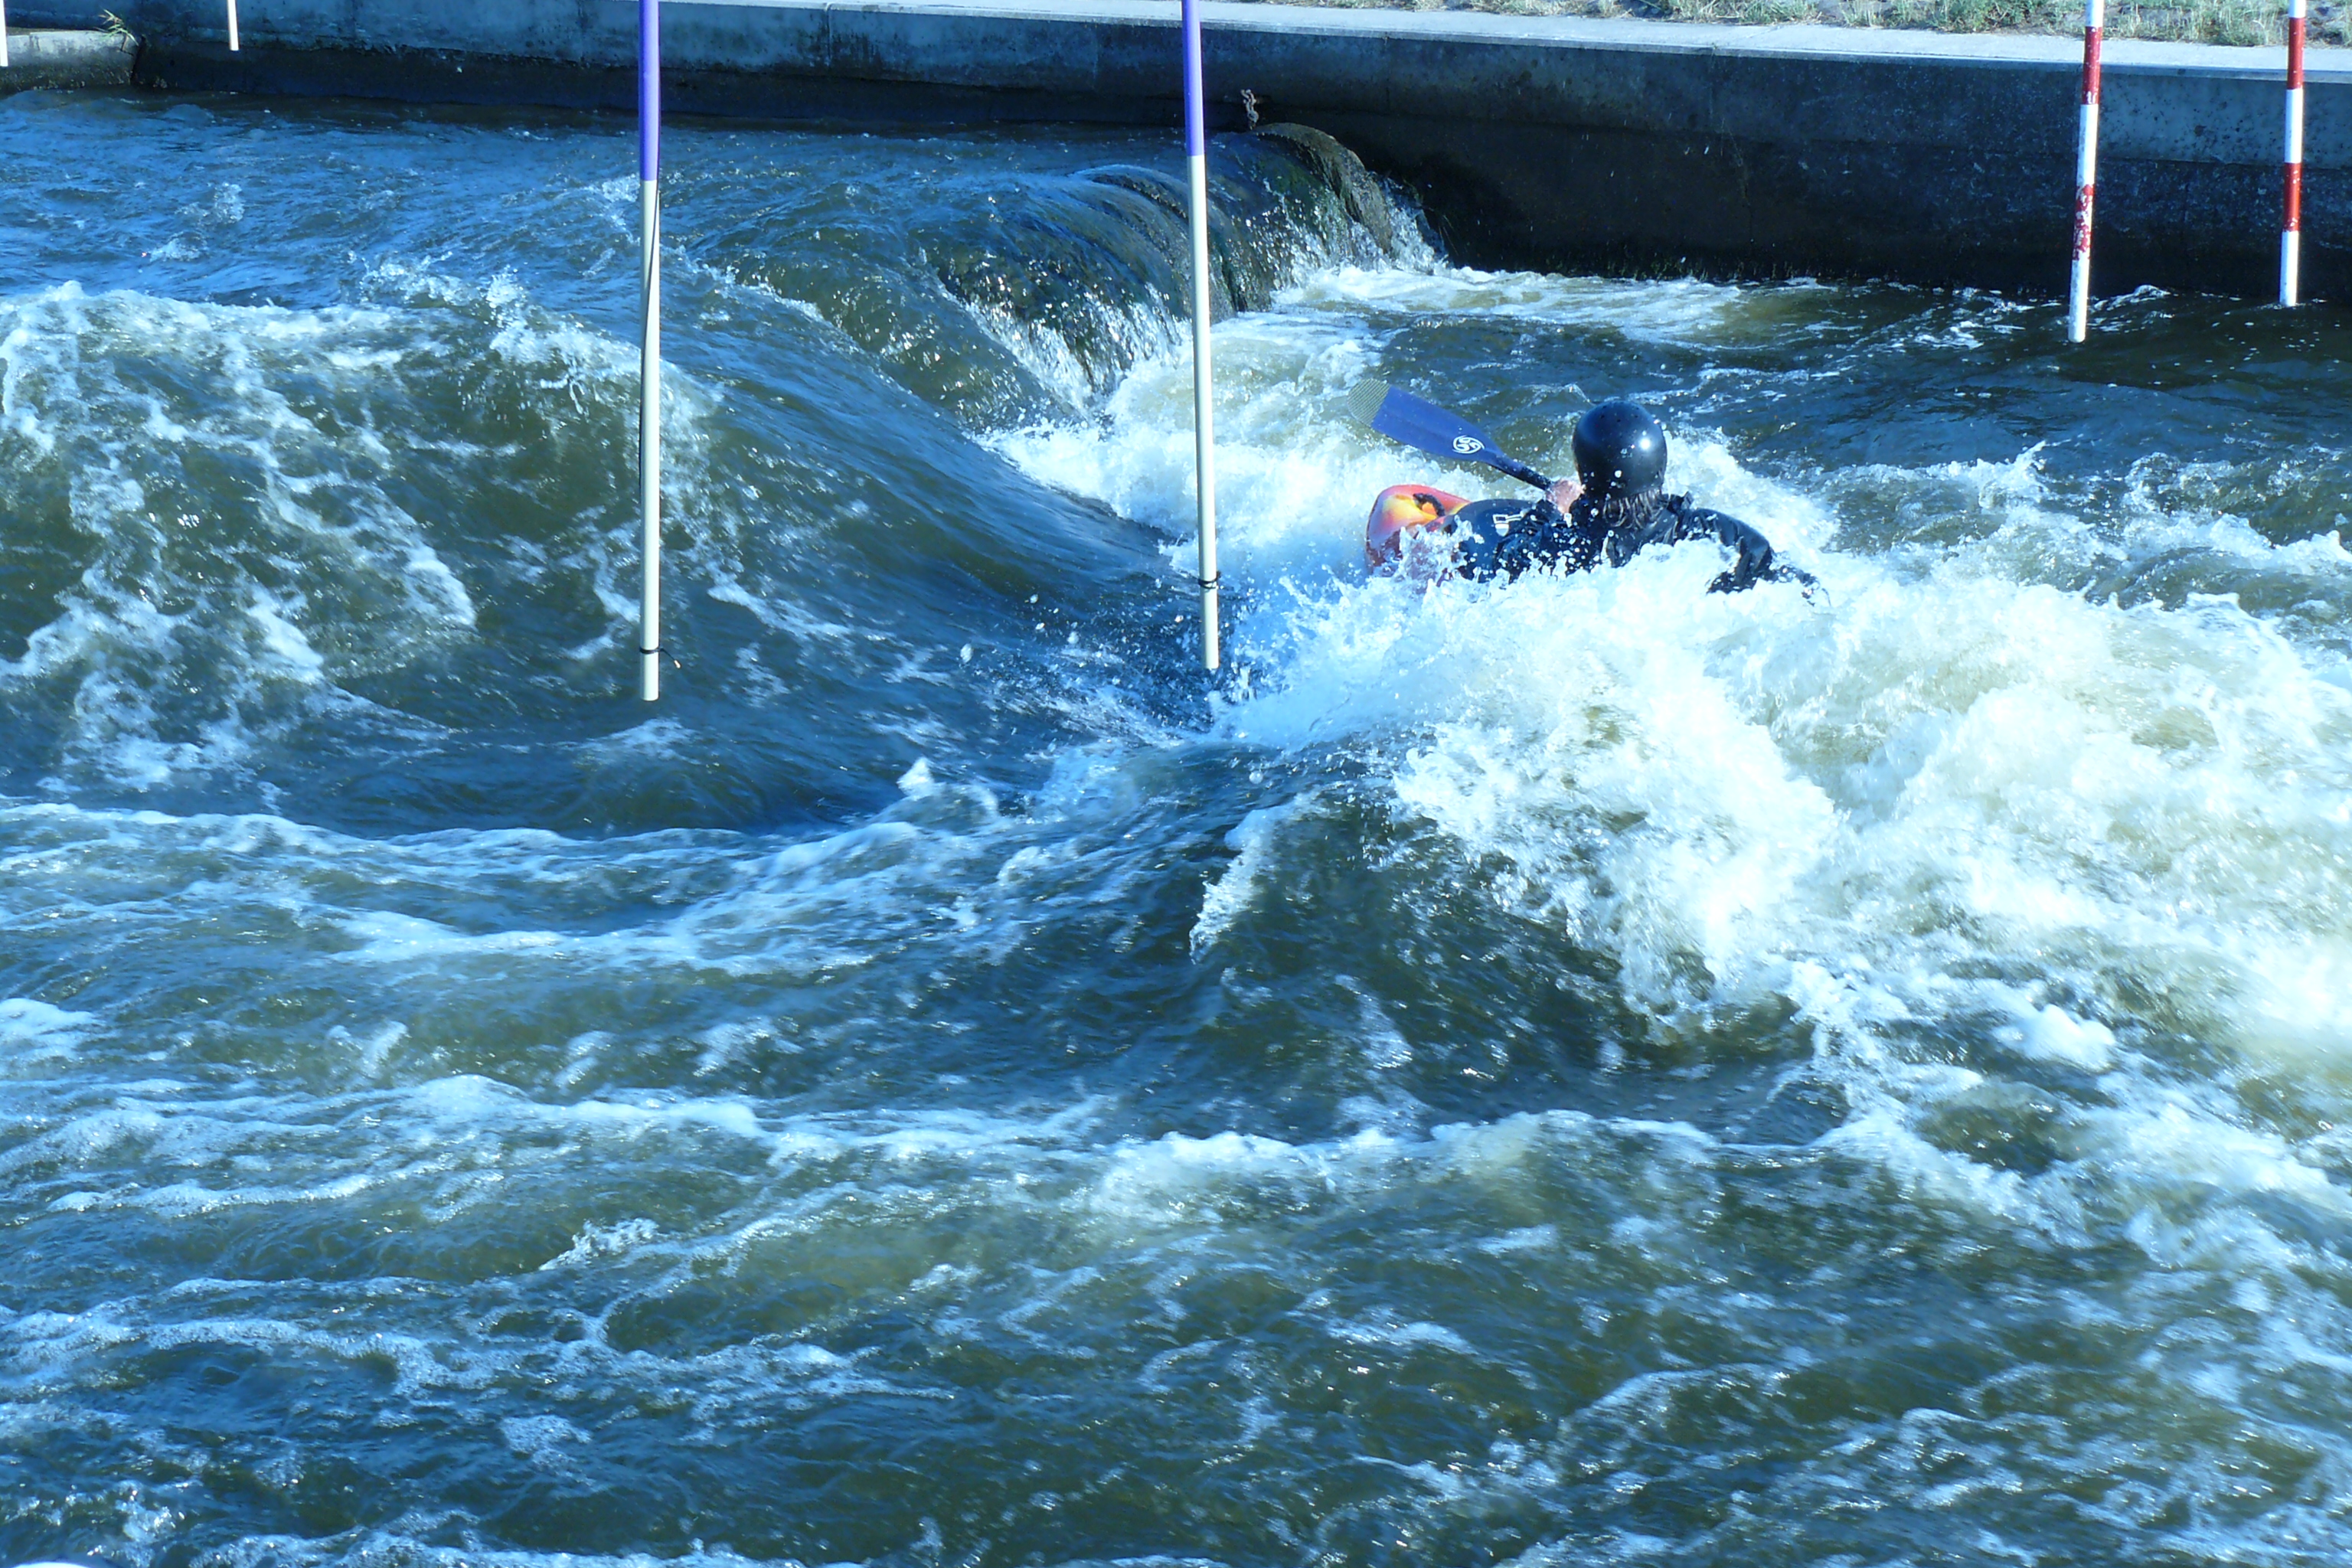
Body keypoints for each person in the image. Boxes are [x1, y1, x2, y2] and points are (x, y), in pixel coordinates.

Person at [1366, 398, 1815, 595]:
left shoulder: (1573, 546)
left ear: (1584, 471)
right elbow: (1768, 562)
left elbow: (1499, 566)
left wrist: (1550, 508)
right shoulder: (1700, 527)